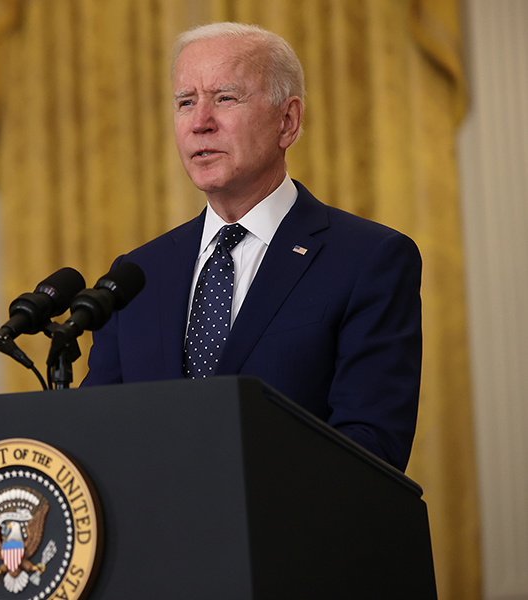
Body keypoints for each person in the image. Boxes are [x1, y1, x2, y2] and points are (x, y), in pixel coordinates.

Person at [81, 23, 422, 472]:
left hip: (291, 537)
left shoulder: (368, 260)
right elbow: (94, 437)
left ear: (288, 121)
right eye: (186, 102)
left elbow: (371, 446)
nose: (200, 122)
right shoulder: (136, 276)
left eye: (225, 98)